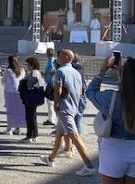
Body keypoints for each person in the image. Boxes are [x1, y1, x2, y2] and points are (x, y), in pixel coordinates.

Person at [86, 56, 135, 183]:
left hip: (112, 151)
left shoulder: (111, 97)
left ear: (123, 76)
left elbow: (90, 92)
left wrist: (103, 70)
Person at [40, 49, 96, 177]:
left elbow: (58, 90)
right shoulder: (76, 72)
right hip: (73, 107)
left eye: (59, 56)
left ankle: (89, 166)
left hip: (64, 108)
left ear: (65, 57)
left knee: (74, 136)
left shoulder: (60, 71)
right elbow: (81, 91)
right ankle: (50, 159)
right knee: (60, 133)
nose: (57, 58)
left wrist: (55, 104)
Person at [19, 56, 44, 143]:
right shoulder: (37, 72)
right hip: (34, 97)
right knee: (32, 116)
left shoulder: (34, 73)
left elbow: (31, 84)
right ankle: (33, 135)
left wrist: (24, 82)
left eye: (27, 64)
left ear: (31, 65)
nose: (26, 66)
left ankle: (31, 135)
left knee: (30, 117)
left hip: (31, 97)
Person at [1, 55, 25, 135]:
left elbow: (3, 81)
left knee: (10, 110)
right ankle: (17, 128)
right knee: (18, 110)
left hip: (9, 92)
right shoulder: (22, 70)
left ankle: (9, 128)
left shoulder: (8, 71)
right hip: (19, 92)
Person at [43, 48, 57, 125]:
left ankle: (52, 119)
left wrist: (46, 74)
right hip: (50, 83)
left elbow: (53, 71)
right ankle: (51, 118)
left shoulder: (51, 61)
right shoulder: (50, 60)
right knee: (50, 102)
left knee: (50, 102)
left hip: (51, 84)